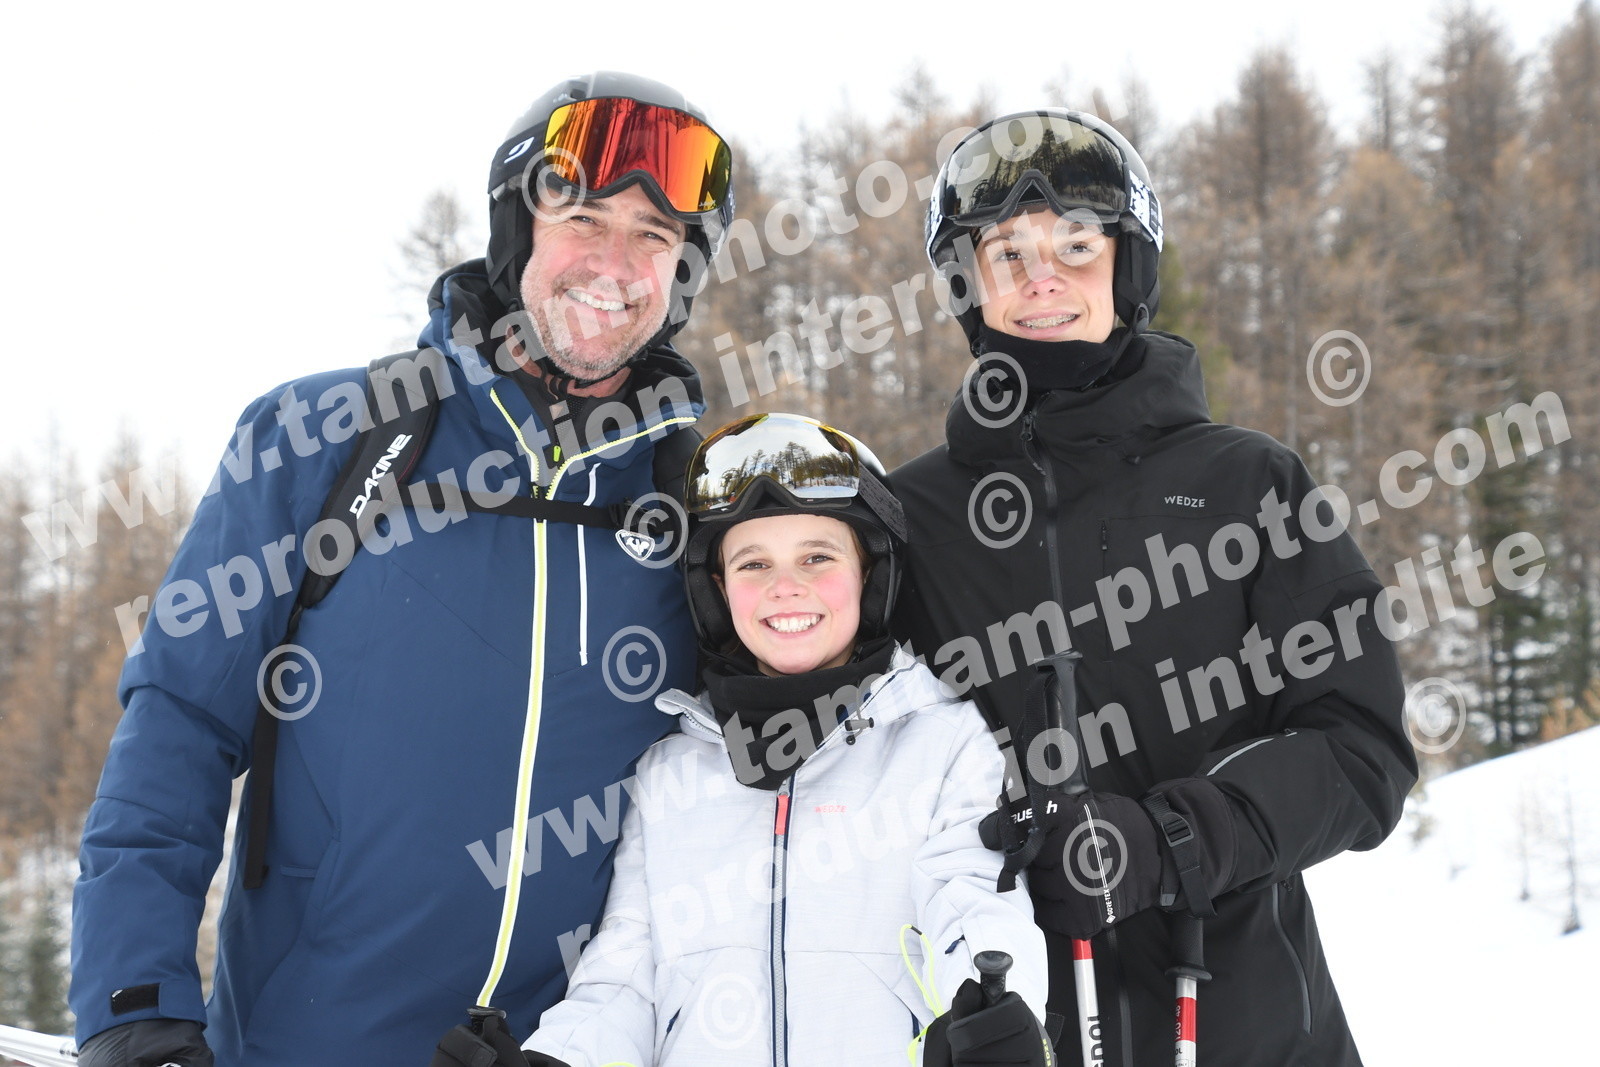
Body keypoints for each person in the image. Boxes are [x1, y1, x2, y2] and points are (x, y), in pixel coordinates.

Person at [69, 71, 735, 1067]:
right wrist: (134, 1006)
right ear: (516, 230)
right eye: (583, 218)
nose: (615, 263)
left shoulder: (698, 503)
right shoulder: (321, 437)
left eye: (654, 235)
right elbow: (179, 725)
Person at [891, 110, 1418, 1066]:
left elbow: (1362, 750)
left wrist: (1172, 839)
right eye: (1006, 253)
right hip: (1019, 1028)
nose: (1041, 278)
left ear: (1128, 265)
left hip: (1248, 1024)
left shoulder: (1248, 484)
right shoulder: (910, 518)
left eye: (1076, 246)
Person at [512, 413, 1053, 1066]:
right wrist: (558, 1056)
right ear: (716, 589)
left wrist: (995, 1007)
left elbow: (972, 902)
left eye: (817, 557)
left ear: (869, 572)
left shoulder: (942, 741)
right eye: (754, 563)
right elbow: (626, 972)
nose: (784, 587)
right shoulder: (671, 768)